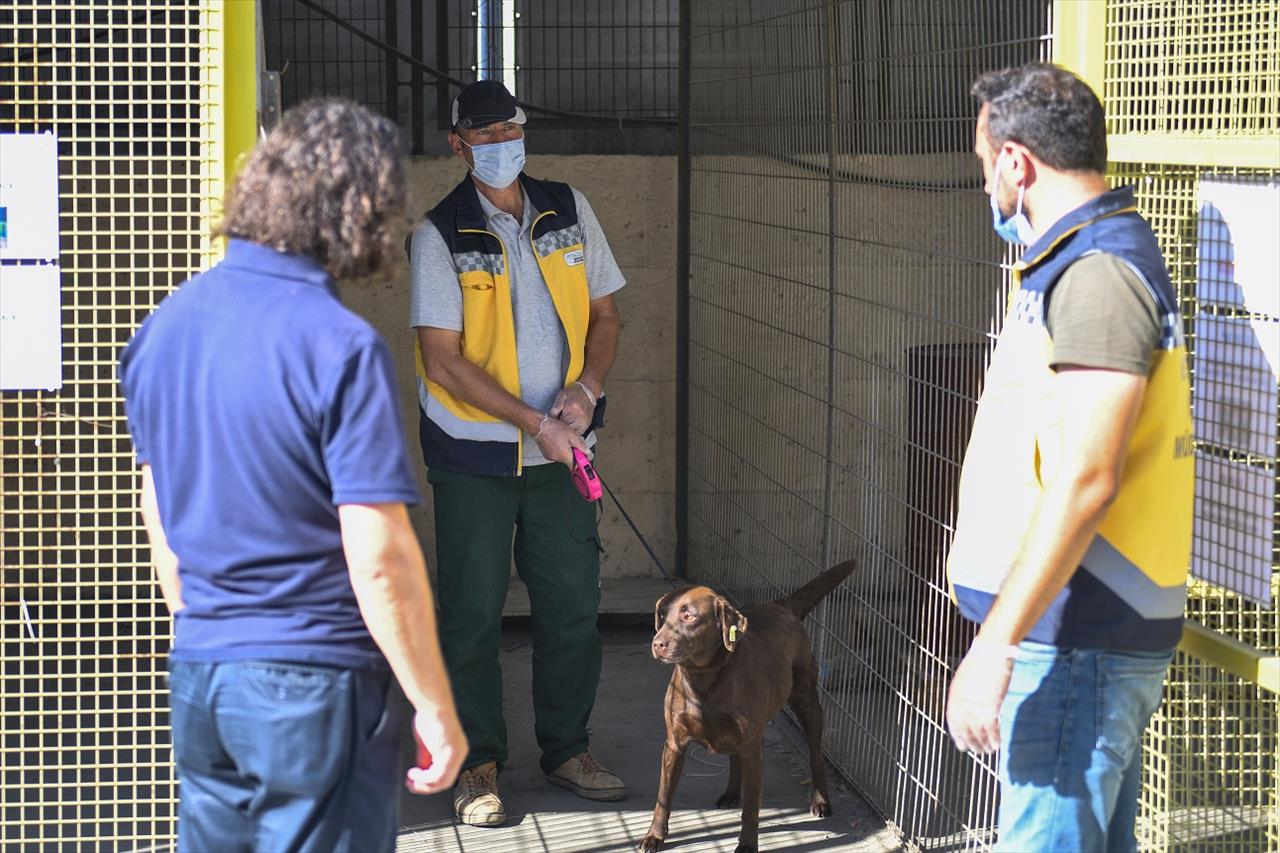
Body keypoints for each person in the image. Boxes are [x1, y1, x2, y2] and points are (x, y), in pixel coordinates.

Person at [119, 98, 467, 852]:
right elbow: (379, 556)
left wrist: (211, 632)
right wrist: (433, 702)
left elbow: (162, 524)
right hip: (317, 680)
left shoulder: (162, 328)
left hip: (204, 673)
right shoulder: (338, 345)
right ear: (358, 209)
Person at [944, 63, 1194, 852]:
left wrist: (996, 644)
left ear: (1017, 161)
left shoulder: (1096, 274)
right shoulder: (1077, 260)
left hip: (1074, 638)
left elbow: (1087, 475)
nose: (987, 190)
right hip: (1072, 635)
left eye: (985, 168)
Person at [408, 79, 627, 827]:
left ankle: (568, 749)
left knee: (572, 605)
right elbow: (442, 360)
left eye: (513, 127)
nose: (504, 141)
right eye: (488, 132)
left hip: (565, 452)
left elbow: (605, 314)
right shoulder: (439, 233)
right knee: (471, 614)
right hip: (474, 457)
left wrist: (587, 390)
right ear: (458, 144)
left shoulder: (567, 209)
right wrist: (536, 420)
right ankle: (477, 765)